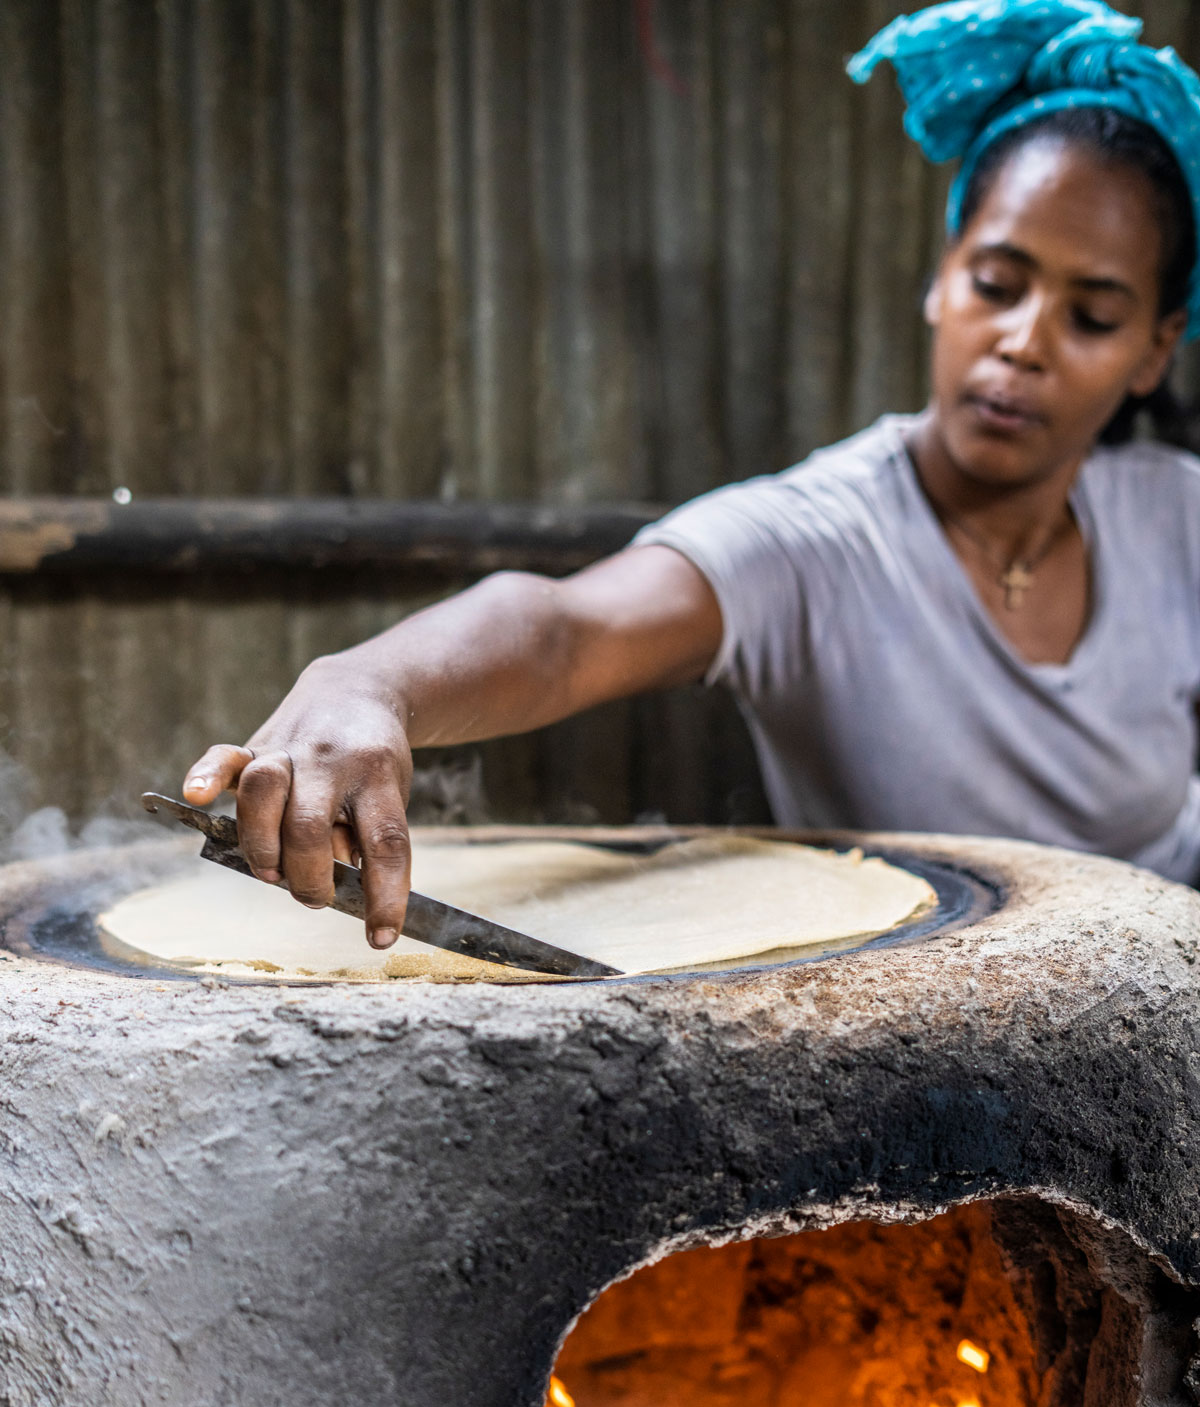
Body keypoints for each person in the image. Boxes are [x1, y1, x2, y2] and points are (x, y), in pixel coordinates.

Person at [184, 0, 1200, 949]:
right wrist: (368, 685)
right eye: (997, 283)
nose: (1024, 342)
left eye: (1094, 316)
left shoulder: (1178, 521)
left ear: (1154, 350)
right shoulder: (819, 543)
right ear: (942, 280)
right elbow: (563, 633)